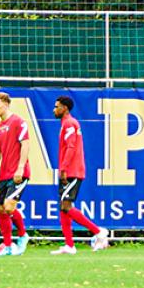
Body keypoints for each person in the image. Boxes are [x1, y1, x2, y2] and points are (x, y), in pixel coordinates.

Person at [51, 95, 109, 255]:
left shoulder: (70, 123)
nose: (54, 109)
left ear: (65, 108)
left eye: (57, 107)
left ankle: (98, 231)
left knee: (66, 206)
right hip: (69, 170)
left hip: (72, 171)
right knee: (63, 208)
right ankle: (69, 245)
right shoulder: (66, 124)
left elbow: (71, 147)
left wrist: (63, 168)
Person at [0, 92, 31, 256]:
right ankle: (8, 245)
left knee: (9, 206)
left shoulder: (18, 122)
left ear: (6, 104)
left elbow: (25, 144)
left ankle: (23, 235)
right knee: (2, 210)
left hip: (18, 173)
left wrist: (20, 168)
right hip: (3, 175)